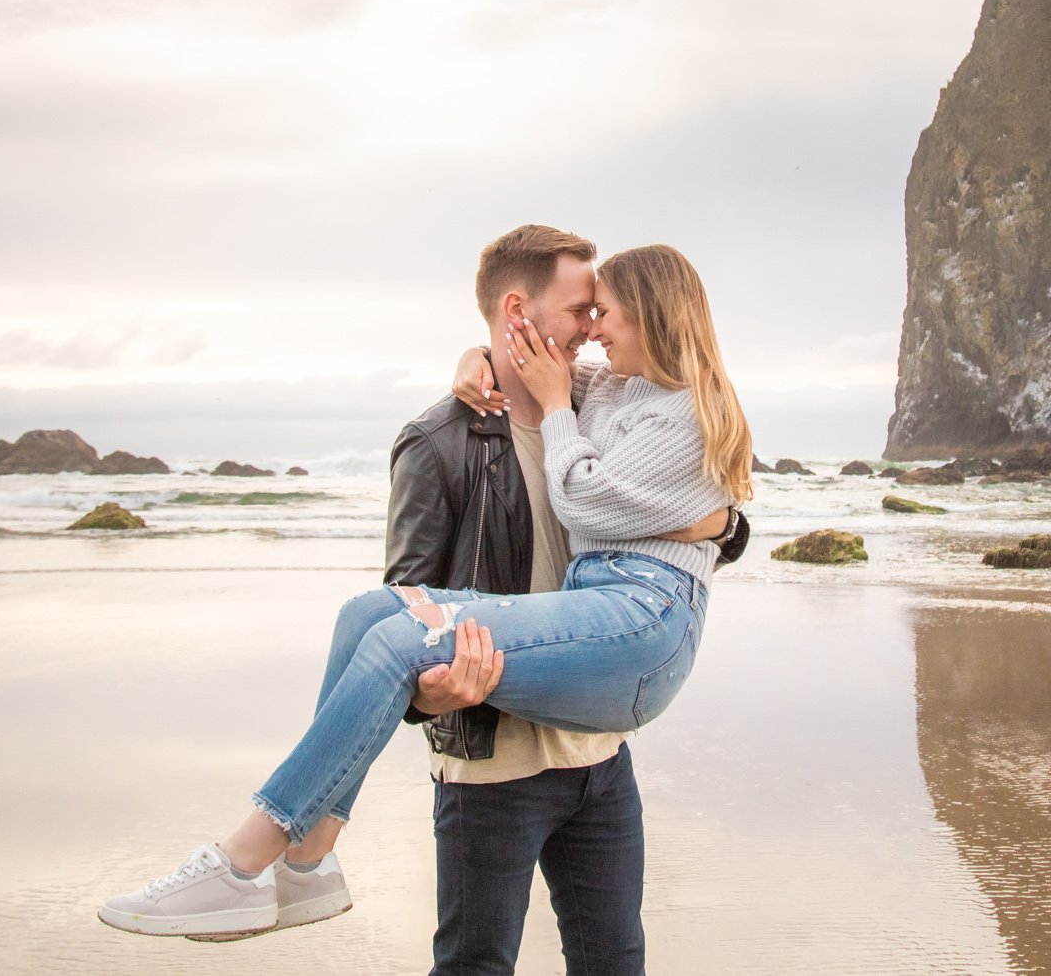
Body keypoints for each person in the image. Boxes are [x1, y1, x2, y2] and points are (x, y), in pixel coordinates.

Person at [97, 233, 754, 955]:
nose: (591, 332)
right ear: (516, 312)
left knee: (611, 956)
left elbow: (617, 500)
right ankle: (310, 849)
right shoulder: (444, 439)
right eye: (581, 311)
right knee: (369, 617)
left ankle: (245, 859)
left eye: (602, 313)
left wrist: (723, 523)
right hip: (494, 756)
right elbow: (409, 591)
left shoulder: (611, 402)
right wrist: (431, 694)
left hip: (598, 739)